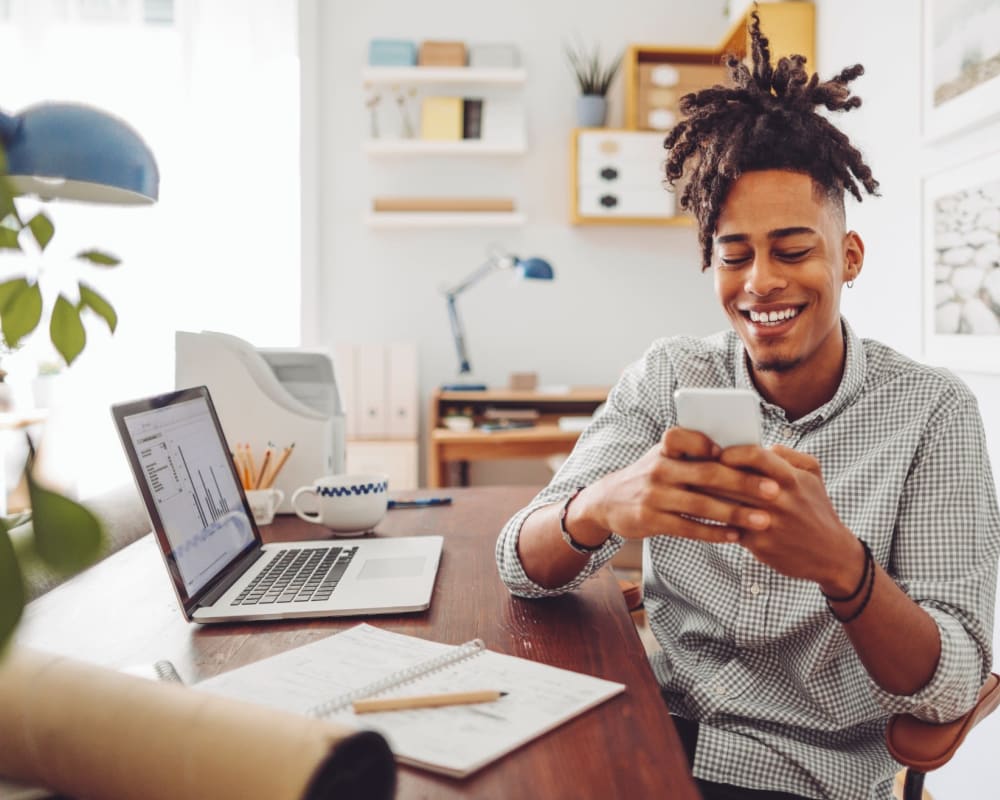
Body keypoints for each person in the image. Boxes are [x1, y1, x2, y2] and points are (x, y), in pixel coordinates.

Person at [495, 13, 1000, 800]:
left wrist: (842, 566)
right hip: (652, 737)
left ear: (849, 256)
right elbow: (517, 566)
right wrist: (601, 506)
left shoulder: (932, 415)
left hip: (808, 777)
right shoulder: (668, 375)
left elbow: (952, 685)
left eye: (793, 250)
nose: (761, 281)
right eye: (735, 256)